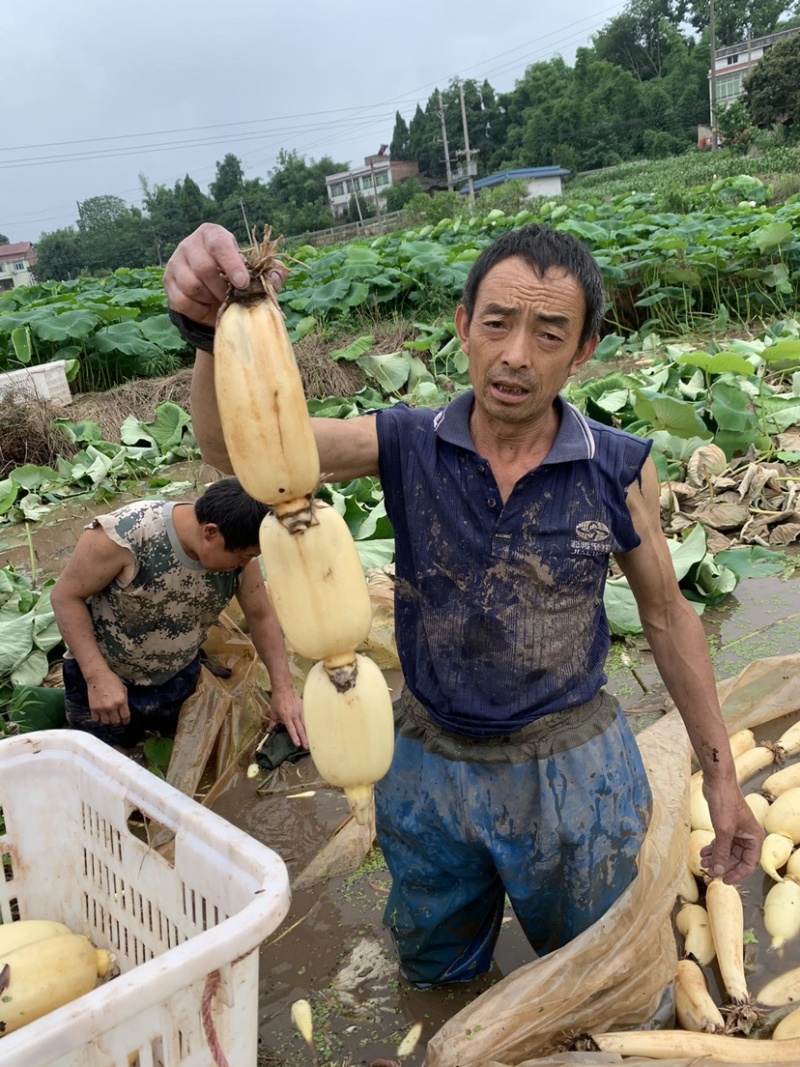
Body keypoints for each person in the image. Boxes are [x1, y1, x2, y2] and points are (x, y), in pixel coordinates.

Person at [164, 221, 764, 990]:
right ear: (462, 327)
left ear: (583, 351)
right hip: (427, 761)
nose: (517, 354)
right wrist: (209, 333)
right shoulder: (405, 441)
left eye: (550, 333)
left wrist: (720, 776)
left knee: (591, 972)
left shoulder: (618, 469)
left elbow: (669, 617)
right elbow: (239, 454)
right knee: (437, 966)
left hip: (570, 767)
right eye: (497, 323)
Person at [51, 476, 305, 752]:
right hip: (106, 681)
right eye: (243, 556)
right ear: (210, 533)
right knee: (106, 770)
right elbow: (65, 597)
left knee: (183, 762)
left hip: (177, 676)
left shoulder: (240, 560)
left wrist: (284, 690)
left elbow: (261, 617)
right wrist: (97, 676)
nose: (246, 564)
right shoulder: (126, 535)